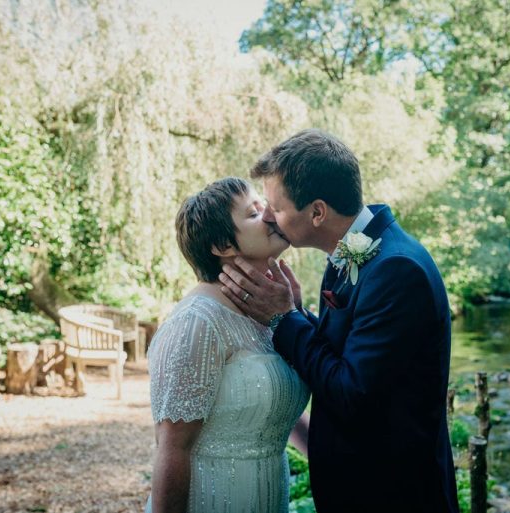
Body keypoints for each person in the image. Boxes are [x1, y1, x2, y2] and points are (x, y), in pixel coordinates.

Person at [219, 129, 459, 512]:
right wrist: (298, 314)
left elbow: (353, 393)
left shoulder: (397, 269)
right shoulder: (356, 252)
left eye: (276, 207)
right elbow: (350, 352)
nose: (266, 215)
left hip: (393, 496)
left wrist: (284, 320)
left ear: (317, 212)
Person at [145, 177, 309, 513]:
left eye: (263, 206)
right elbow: (171, 448)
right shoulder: (196, 323)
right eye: (253, 213)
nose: (269, 215)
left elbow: (277, 410)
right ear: (222, 245)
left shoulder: (267, 311)